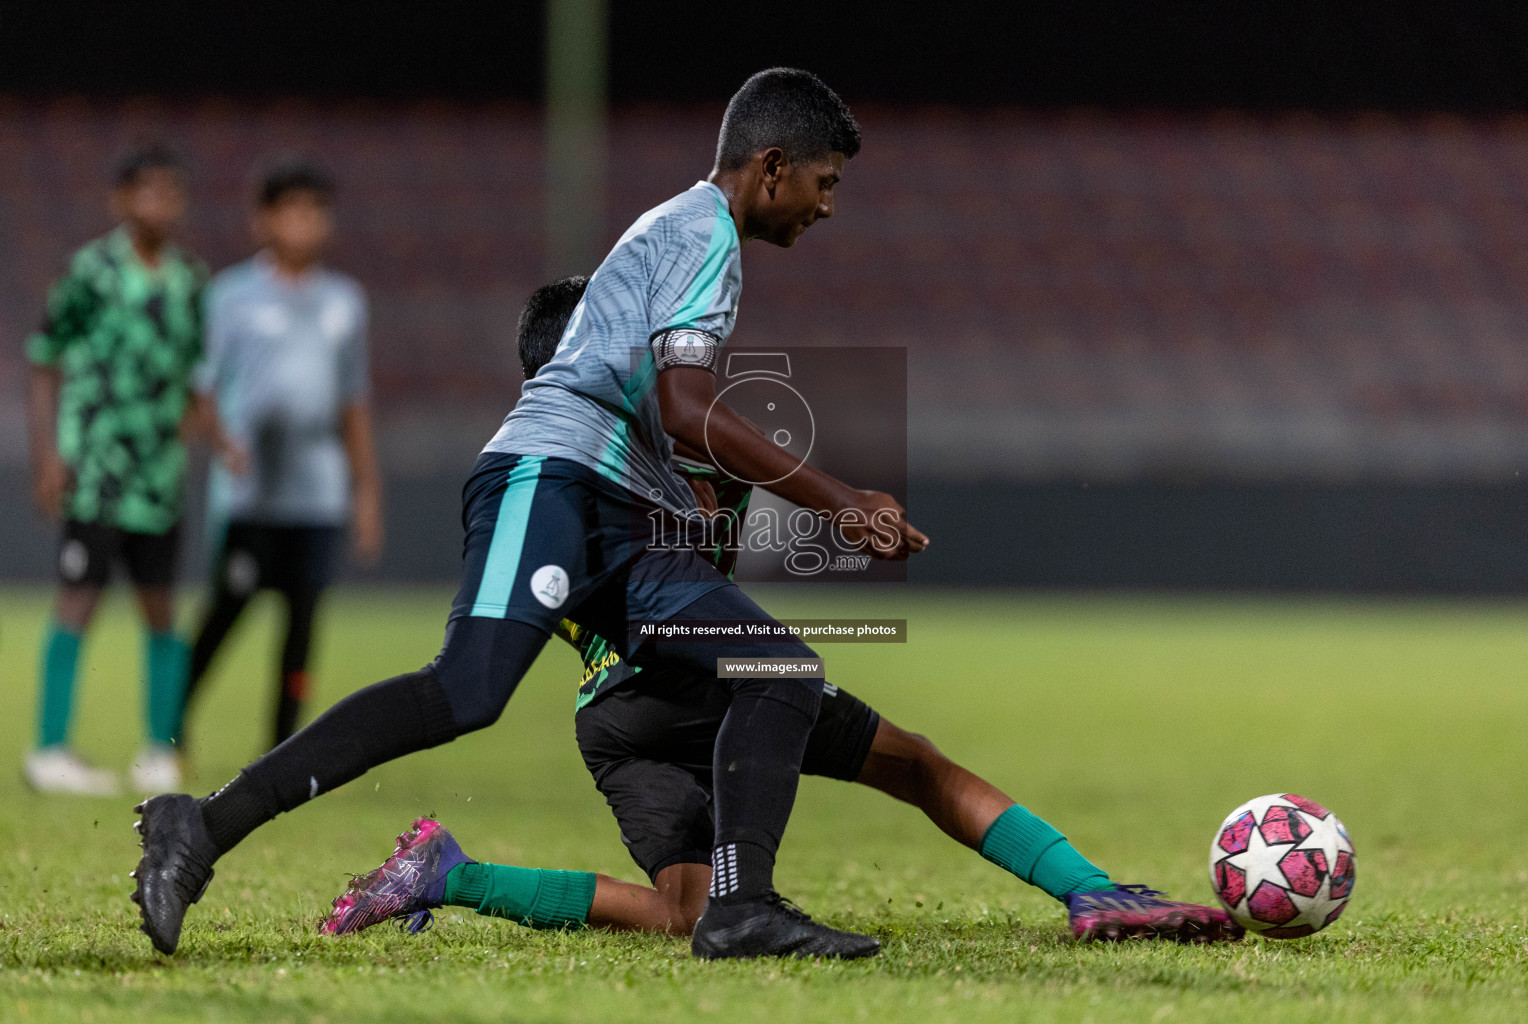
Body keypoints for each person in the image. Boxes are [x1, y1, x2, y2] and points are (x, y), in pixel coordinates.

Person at [132, 68, 927, 961]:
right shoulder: (706, 236)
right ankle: (199, 826)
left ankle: (741, 909)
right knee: (466, 691)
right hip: (548, 477)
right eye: (826, 183)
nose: (828, 207)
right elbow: (687, 405)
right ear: (773, 167)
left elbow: (655, 404)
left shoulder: (689, 230)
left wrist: (680, 487)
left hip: (616, 502)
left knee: (777, 669)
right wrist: (840, 501)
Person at [320, 278, 1242, 946]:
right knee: (915, 765)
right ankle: (1091, 891)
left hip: (611, 715)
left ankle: (454, 874)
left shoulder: (537, 478)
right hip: (698, 673)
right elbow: (720, 493)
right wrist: (834, 500)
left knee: (684, 909)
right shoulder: (665, 433)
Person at [24, 143, 211, 797]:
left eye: (172, 191)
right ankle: (48, 749)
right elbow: (44, 359)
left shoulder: (190, 279)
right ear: (122, 200)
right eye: (148, 190)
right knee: (79, 598)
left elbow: (195, 371)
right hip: (96, 470)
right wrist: (49, 453)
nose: (161, 203)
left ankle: (159, 751)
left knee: (161, 607)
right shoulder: (91, 271)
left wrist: (198, 427)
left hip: (158, 478)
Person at [179, 160, 382, 753]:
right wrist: (223, 442)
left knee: (301, 625)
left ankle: (282, 752)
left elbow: (355, 404)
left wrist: (366, 494)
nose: (304, 223)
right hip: (251, 495)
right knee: (226, 612)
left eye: (315, 211)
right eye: (291, 211)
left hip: (317, 493)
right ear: (263, 220)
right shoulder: (231, 296)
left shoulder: (346, 301)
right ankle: (170, 729)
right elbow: (202, 391)